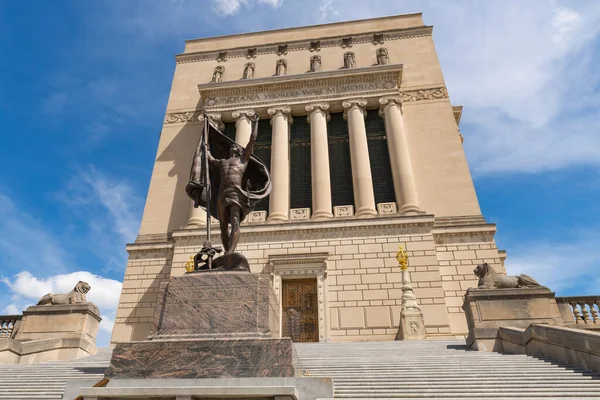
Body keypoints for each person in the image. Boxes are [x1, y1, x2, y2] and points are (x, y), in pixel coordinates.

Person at [206, 118, 259, 254]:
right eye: (232, 146)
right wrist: (204, 146)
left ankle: (231, 250)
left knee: (235, 219)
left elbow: (252, 140)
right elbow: (210, 160)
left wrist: (255, 123)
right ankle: (226, 252)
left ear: (239, 151)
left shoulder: (242, 161)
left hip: (235, 192)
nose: (233, 146)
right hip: (222, 193)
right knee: (223, 225)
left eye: (235, 146)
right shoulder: (223, 162)